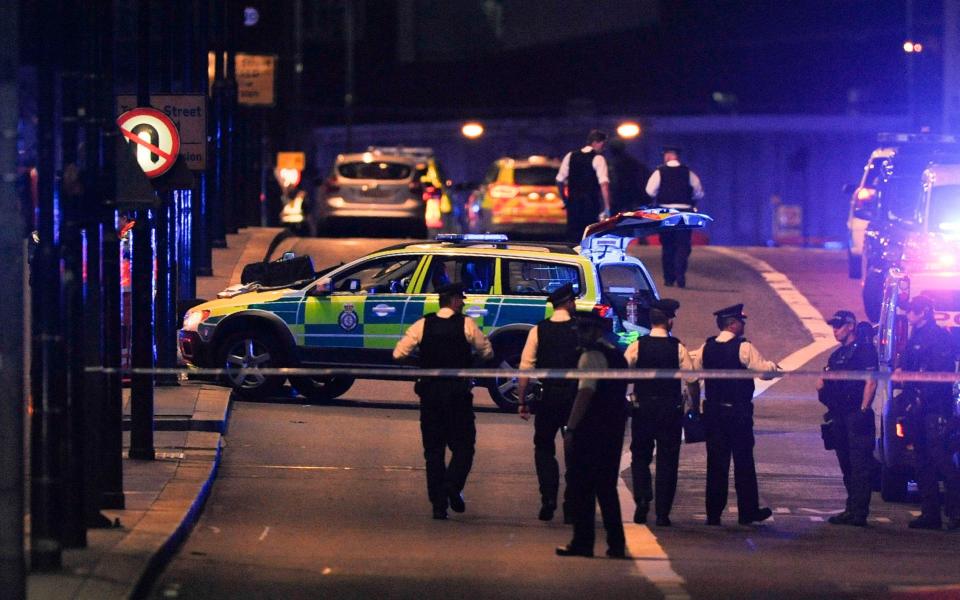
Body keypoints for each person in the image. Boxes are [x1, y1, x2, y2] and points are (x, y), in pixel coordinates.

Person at [393, 282, 494, 520]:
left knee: (433, 451)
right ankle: (452, 485)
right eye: (462, 298)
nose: (464, 302)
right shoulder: (466, 324)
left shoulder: (423, 324)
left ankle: (438, 505)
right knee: (464, 446)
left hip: (430, 394)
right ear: (454, 300)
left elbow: (399, 354)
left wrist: (422, 366)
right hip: (458, 395)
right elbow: (487, 352)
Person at [692, 304, 780, 526]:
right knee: (743, 463)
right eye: (741, 321)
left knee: (716, 464)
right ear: (732, 324)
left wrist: (695, 407)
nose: (744, 325)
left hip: (713, 413)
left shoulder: (706, 347)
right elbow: (764, 371)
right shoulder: (743, 347)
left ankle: (713, 514)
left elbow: (691, 375)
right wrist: (775, 367)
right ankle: (747, 512)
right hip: (738, 413)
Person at [556, 311, 630, 559]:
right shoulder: (617, 356)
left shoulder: (590, 357)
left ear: (596, 331)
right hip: (613, 430)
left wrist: (571, 427)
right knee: (607, 489)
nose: (579, 334)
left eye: (584, 329)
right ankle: (616, 544)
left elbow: (585, 394)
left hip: (590, 430)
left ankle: (583, 542)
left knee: (582, 487)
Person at [625, 298, 699, 527]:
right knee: (668, 460)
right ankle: (663, 513)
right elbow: (692, 380)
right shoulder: (678, 347)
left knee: (640, 455)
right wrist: (695, 407)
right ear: (668, 321)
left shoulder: (638, 345)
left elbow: (621, 369)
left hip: (643, 408)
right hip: (670, 410)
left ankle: (642, 498)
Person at [517, 282, 580, 522]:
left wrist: (522, 401)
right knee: (575, 450)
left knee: (544, 447)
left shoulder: (539, 330)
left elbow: (525, 369)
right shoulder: (579, 329)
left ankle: (548, 497)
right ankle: (571, 504)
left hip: (548, 396)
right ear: (568, 303)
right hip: (574, 397)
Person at [898, 295, 960, 531]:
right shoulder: (917, 336)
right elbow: (907, 365)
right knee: (922, 461)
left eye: (912, 310)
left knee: (942, 461)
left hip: (935, 409)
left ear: (923, 311)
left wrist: (922, 394)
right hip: (918, 408)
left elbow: (939, 376)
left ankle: (955, 513)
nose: (908, 314)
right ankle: (930, 514)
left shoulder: (938, 337)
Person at [816, 310, 878, 527]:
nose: (835, 330)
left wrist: (863, 409)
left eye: (839, 325)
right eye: (834, 326)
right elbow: (822, 383)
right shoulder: (837, 355)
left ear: (851, 326)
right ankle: (851, 508)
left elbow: (871, 381)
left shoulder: (865, 351)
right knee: (846, 465)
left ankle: (859, 512)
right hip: (839, 415)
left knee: (860, 465)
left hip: (856, 415)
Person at [645, 146, 705, 288]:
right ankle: (680, 274)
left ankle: (668, 278)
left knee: (667, 245)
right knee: (683, 245)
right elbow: (699, 193)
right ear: (677, 156)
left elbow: (650, 191)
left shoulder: (659, 172)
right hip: (684, 212)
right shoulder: (688, 173)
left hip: (666, 212)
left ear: (667, 156)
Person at [556, 129, 612, 243]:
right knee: (588, 237)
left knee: (572, 237)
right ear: (597, 142)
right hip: (590, 205)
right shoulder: (598, 158)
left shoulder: (570, 156)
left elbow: (559, 180)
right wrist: (607, 207)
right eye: (603, 143)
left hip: (573, 204)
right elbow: (604, 184)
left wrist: (565, 199)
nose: (603, 147)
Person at [606, 137, 650, 215]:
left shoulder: (611, 163)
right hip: (631, 199)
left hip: (618, 199)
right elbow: (644, 176)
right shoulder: (633, 162)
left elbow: (614, 182)